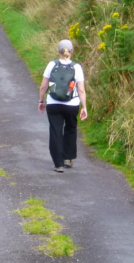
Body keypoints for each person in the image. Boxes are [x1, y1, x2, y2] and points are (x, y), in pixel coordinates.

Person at [38, 39, 87, 173]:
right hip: (72, 104)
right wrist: (84, 107)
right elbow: (81, 90)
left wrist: (41, 101)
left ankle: (58, 164)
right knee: (71, 129)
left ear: (58, 52)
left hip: (54, 103)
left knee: (56, 131)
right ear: (72, 51)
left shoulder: (52, 65)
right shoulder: (76, 67)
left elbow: (43, 86)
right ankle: (68, 158)